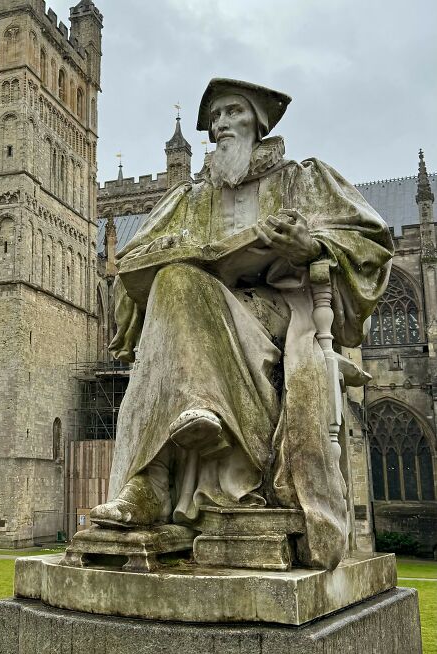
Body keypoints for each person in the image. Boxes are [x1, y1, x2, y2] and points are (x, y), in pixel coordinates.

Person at [90, 79, 393, 569]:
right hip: (194, 318)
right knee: (175, 282)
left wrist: (311, 248)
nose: (220, 125)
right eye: (214, 119)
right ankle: (154, 474)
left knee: (180, 293)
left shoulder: (302, 180)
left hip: (277, 316)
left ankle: (161, 469)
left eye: (231, 112)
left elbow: (373, 244)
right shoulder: (188, 199)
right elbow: (125, 269)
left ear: (259, 121)